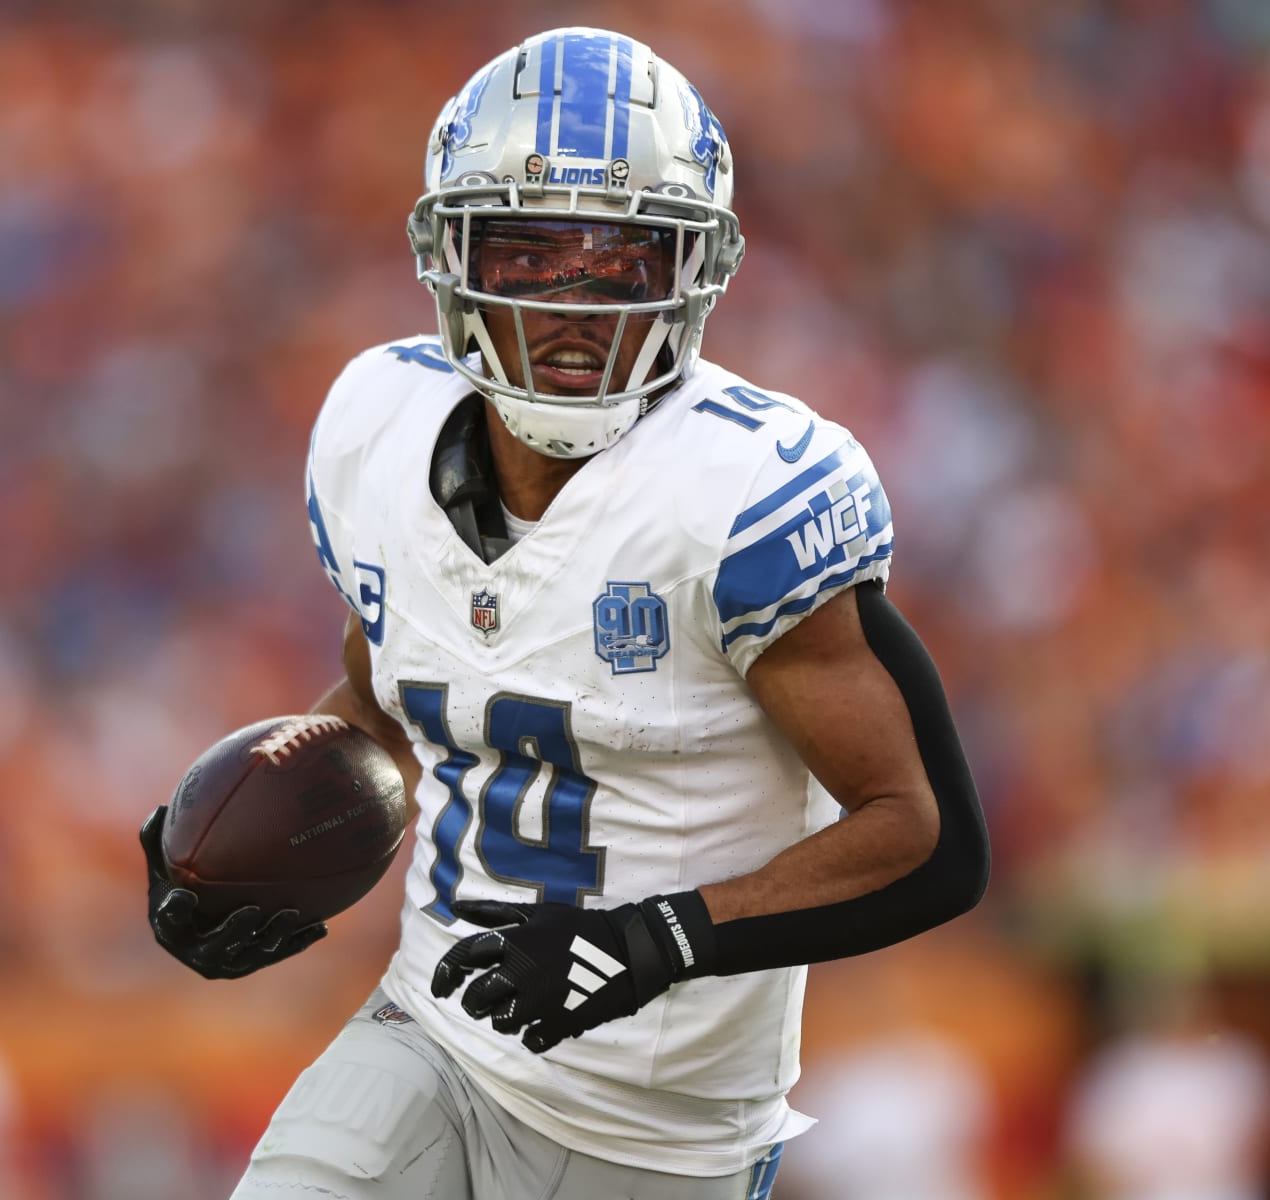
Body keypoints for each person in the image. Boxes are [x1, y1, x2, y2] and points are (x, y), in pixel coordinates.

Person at [139, 26, 990, 1199]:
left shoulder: (741, 495)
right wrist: (234, 842)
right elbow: (382, 697)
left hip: (657, 1135)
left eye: (622, 262)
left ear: (691, 271)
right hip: (432, 1039)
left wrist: (656, 937)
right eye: (532, 256)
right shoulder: (375, 428)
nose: (574, 304)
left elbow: (925, 834)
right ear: (454, 254)